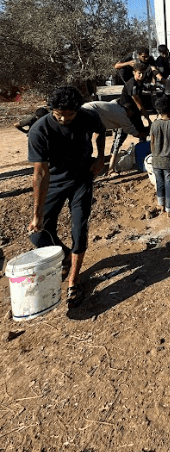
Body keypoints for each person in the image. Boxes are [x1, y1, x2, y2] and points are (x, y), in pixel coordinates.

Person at [27, 86, 106, 307]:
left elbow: (101, 132)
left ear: (77, 110)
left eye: (69, 114)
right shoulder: (39, 131)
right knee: (38, 234)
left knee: (79, 229)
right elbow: (40, 173)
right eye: (58, 114)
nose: (63, 118)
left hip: (82, 178)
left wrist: (100, 158)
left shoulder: (88, 116)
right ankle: (66, 256)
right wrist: (37, 214)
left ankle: (73, 280)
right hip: (54, 182)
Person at [150, 97, 170, 217]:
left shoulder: (154, 124)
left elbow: (152, 142)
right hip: (169, 160)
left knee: (160, 183)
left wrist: (155, 154)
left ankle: (161, 206)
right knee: (169, 184)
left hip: (156, 160)